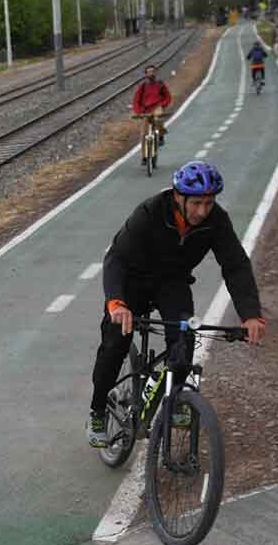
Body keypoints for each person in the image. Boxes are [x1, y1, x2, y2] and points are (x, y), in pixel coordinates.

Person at [86, 161, 267, 448]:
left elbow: (235, 266)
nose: (202, 211)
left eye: (209, 203)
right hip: (132, 281)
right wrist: (116, 303)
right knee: (115, 343)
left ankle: (178, 397)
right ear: (178, 197)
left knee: (184, 339)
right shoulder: (150, 212)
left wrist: (251, 315)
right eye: (196, 203)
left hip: (172, 283)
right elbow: (116, 258)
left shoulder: (216, 220)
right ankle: (97, 409)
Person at [131, 64, 172, 162]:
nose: (151, 74)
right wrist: (139, 112)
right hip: (146, 111)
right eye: (149, 72)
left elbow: (168, 97)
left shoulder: (161, 84)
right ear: (146, 75)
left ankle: (161, 136)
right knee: (143, 134)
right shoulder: (143, 86)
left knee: (158, 118)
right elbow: (136, 100)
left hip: (157, 107)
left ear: (155, 73)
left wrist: (163, 105)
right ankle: (144, 157)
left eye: (153, 71)